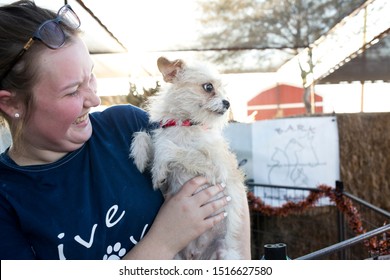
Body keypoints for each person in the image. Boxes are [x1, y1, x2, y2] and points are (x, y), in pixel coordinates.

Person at [0, 1, 251, 260]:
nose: (94, 100)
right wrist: (164, 241)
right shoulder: (6, 199)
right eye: (73, 91)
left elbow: (226, 177)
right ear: (11, 103)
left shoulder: (124, 126)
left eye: (91, 77)